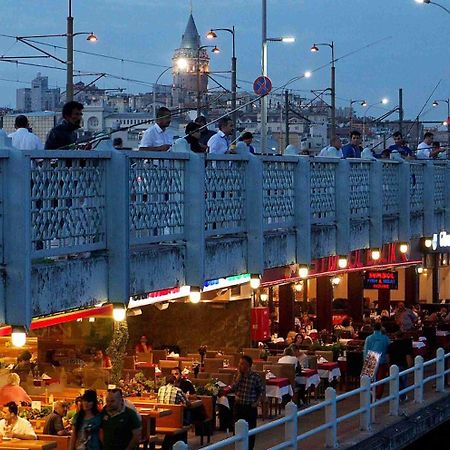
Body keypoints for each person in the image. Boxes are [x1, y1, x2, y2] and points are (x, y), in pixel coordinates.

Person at [229, 356, 264, 450]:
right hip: (239, 405)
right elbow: (233, 388)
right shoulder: (237, 376)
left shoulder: (255, 377)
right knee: (237, 429)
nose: (240, 366)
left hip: (250, 407)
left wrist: (257, 402)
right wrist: (238, 379)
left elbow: (261, 391)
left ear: (249, 365)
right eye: (240, 363)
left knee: (250, 430)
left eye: (243, 363)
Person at [363, 322, 390, 399]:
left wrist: (365, 361)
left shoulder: (368, 338)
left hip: (371, 357)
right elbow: (388, 349)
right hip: (382, 359)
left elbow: (365, 350)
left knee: (370, 380)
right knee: (380, 380)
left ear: (373, 328)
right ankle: (378, 396)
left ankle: (370, 395)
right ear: (381, 327)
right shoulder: (385, 338)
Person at [388, 331, 413, 401]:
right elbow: (408, 356)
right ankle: (402, 396)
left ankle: (396, 396)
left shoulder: (391, 345)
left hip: (393, 365)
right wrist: (410, 366)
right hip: (403, 364)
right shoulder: (405, 345)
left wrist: (389, 364)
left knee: (395, 382)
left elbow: (387, 356)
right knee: (403, 382)